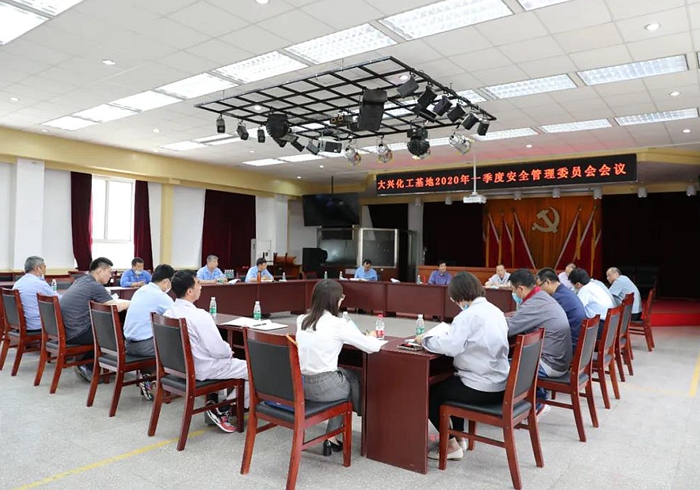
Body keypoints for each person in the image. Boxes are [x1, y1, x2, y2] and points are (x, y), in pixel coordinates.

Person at [416, 272, 509, 461]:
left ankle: (451, 446)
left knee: (429, 393)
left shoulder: (467, 316)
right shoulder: (496, 311)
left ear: (459, 296)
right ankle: (459, 438)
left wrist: (425, 340)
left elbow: (450, 346)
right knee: (452, 383)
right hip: (501, 385)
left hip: (480, 387)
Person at [296, 280, 383, 456]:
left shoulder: (302, 320)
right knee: (354, 378)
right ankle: (364, 422)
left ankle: (333, 437)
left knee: (344, 374)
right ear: (335, 300)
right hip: (325, 388)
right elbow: (372, 347)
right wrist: (373, 336)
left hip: (301, 386)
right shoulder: (338, 324)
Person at [164, 270, 248, 433]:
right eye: (198, 284)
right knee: (253, 370)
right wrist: (229, 351)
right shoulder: (199, 315)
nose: (201, 287)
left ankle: (217, 403)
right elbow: (217, 349)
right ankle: (222, 409)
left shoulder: (168, 313)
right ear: (190, 291)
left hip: (178, 367)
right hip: (202, 369)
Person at [506, 269, 572, 414]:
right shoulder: (541, 297)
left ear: (520, 289)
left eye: (513, 290)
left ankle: (535, 406)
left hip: (550, 364)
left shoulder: (534, 304)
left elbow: (508, 329)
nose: (513, 293)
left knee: (502, 367)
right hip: (560, 360)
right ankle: (537, 399)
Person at [60, 257, 130, 382]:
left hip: (66, 329)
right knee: (113, 334)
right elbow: (115, 307)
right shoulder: (94, 286)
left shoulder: (81, 280)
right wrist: (133, 303)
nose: (110, 275)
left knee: (105, 329)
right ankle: (88, 366)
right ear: (99, 271)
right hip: (76, 332)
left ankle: (87, 363)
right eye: (109, 271)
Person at [123, 264, 175, 401]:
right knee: (179, 344)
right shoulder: (160, 296)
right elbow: (178, 316)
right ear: (166, 281)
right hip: (144, 347)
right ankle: (162, 382)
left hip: (128, 345)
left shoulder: (140, 291)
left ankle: (149, 376)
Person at [537, 267, 587, 350]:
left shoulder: (558, 298)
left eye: (540, 286)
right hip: (579, 341)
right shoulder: (565, 291)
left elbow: (547, 322)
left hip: (571, 345)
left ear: (547, 282)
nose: (540, 290)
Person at [12, 256, 58, 332]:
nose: (45, 271)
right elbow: (58, 299)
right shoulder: (39, 283)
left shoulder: (17, 283)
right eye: (44, 267)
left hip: (19, 325)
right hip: (36, 325)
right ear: (37, 269)